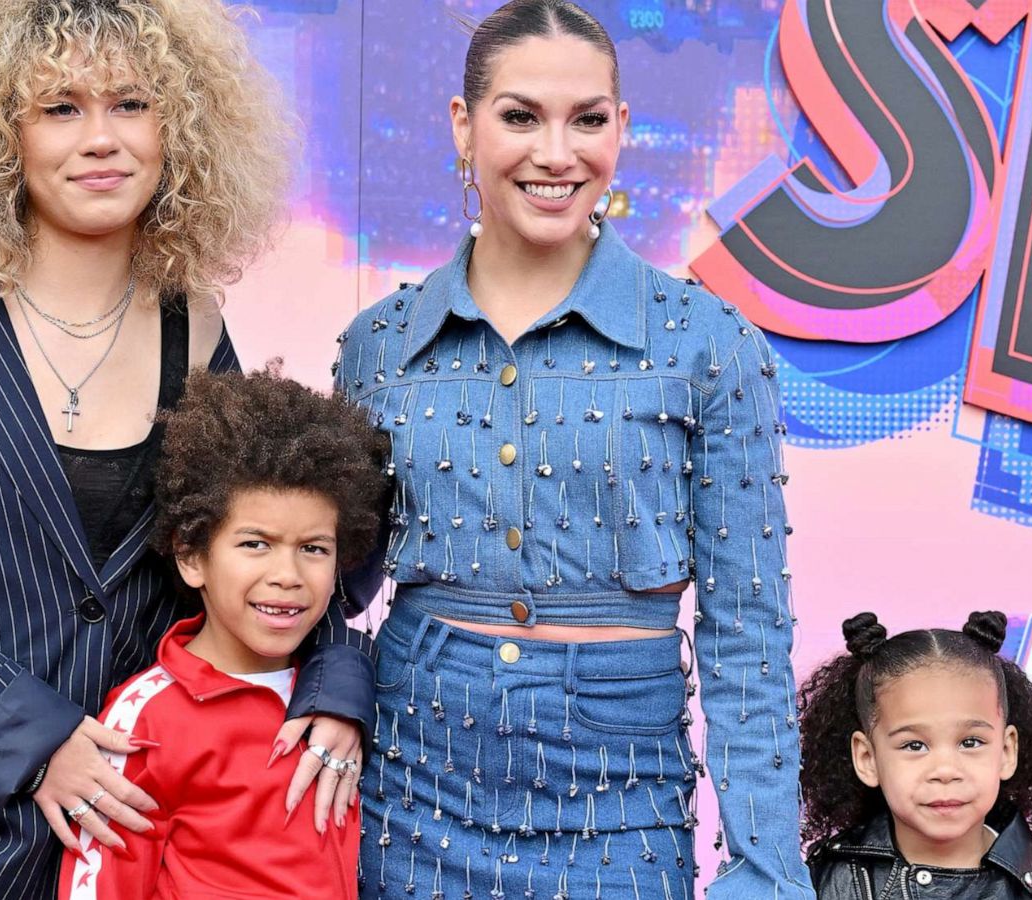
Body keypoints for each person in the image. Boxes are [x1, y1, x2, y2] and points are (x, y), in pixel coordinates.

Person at [0, 2, 369, 898]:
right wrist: (35, 742)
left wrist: (335, 681)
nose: (101, 139)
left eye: (132, 105)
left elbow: (267, 531)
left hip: (125, 830)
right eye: (61, 107)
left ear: (180, 128)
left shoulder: (197, 330)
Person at [333, 1, 811, 895]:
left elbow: (748, 631)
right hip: (414, 778)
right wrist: (329, 703)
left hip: (624, 798)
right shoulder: (379, 343)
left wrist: (763, 866)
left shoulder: (709, 341)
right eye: (520, 116)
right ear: (462, 125)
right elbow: (324, 582)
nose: (557, 154)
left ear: (621, 128)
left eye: (587, 119)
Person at [55, 368, 388, 899]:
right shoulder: (144, 719)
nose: (288, 574)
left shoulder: (341, 697)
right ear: (191, 556)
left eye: (314, 548)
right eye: (256, 543)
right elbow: (101, 885)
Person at [798, 612, 1032, 899]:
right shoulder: (829, 882)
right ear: (867, 759)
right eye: (914, 745)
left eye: (971, 742)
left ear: (1006, 752)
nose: (946, 770)